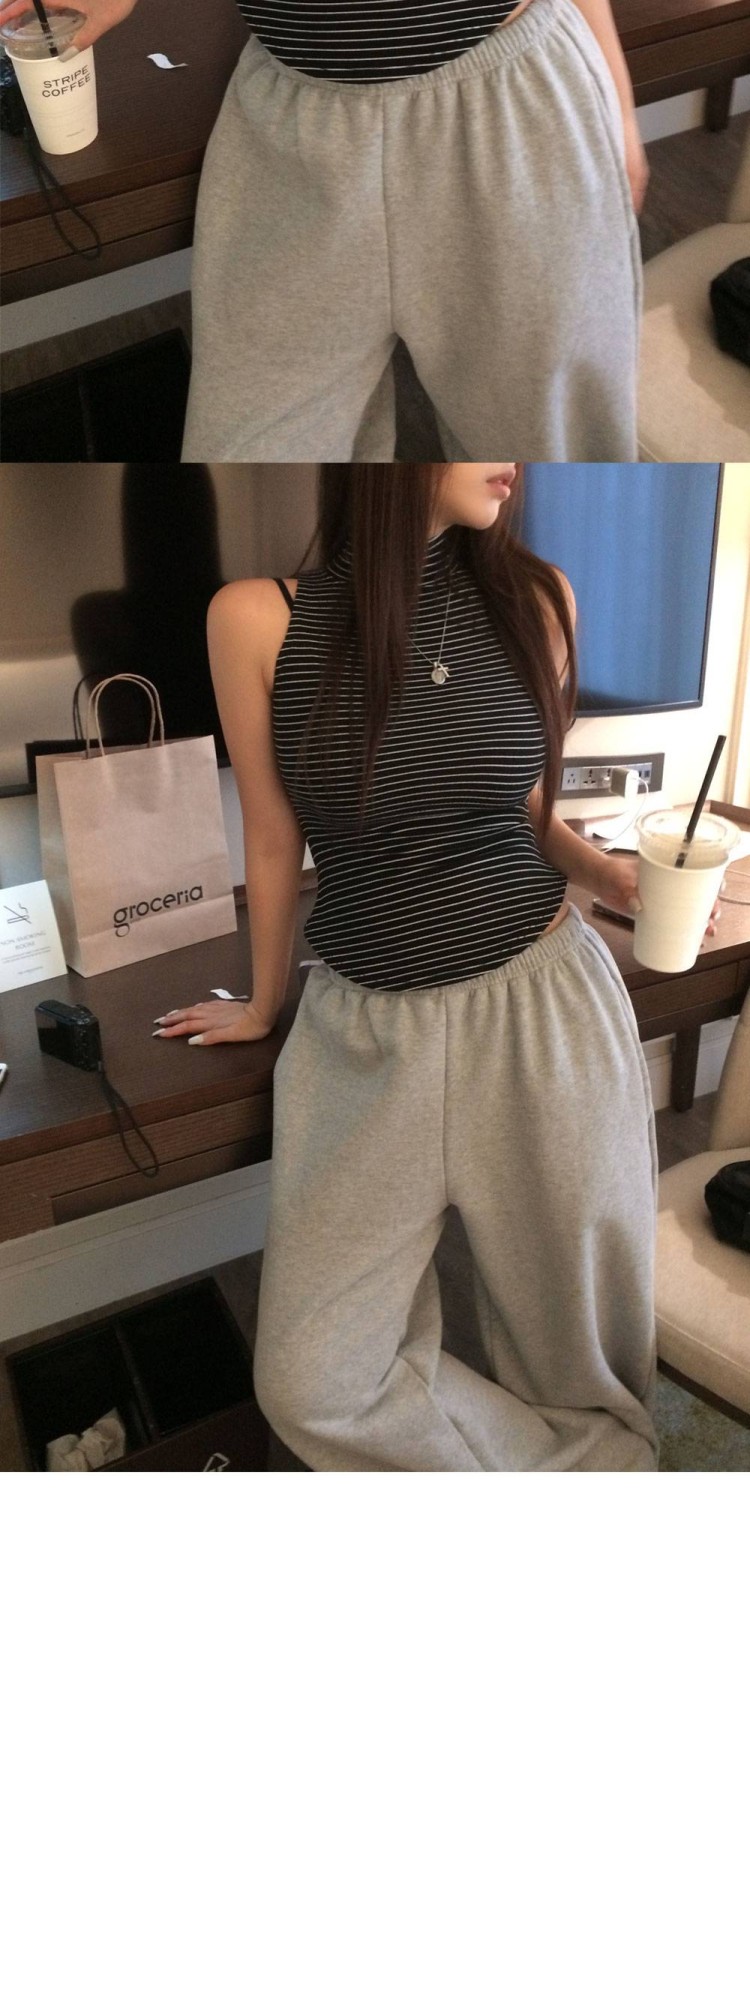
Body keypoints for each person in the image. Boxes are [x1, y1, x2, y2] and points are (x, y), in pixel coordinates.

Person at [148, 463, 720, 1472]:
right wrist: (265, 1001)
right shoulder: (256, 618)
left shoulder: (539, 596)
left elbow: (522, 799)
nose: (516, 452)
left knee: (579, 1360)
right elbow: (274, 836)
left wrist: (605, 873)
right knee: (316, 1380)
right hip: (365, 1034)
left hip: (544, 1009)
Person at [1, 0, 649, 462]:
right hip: (291, 128)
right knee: (250, 462)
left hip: (512, 111)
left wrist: (616, 105)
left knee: (550, 455)